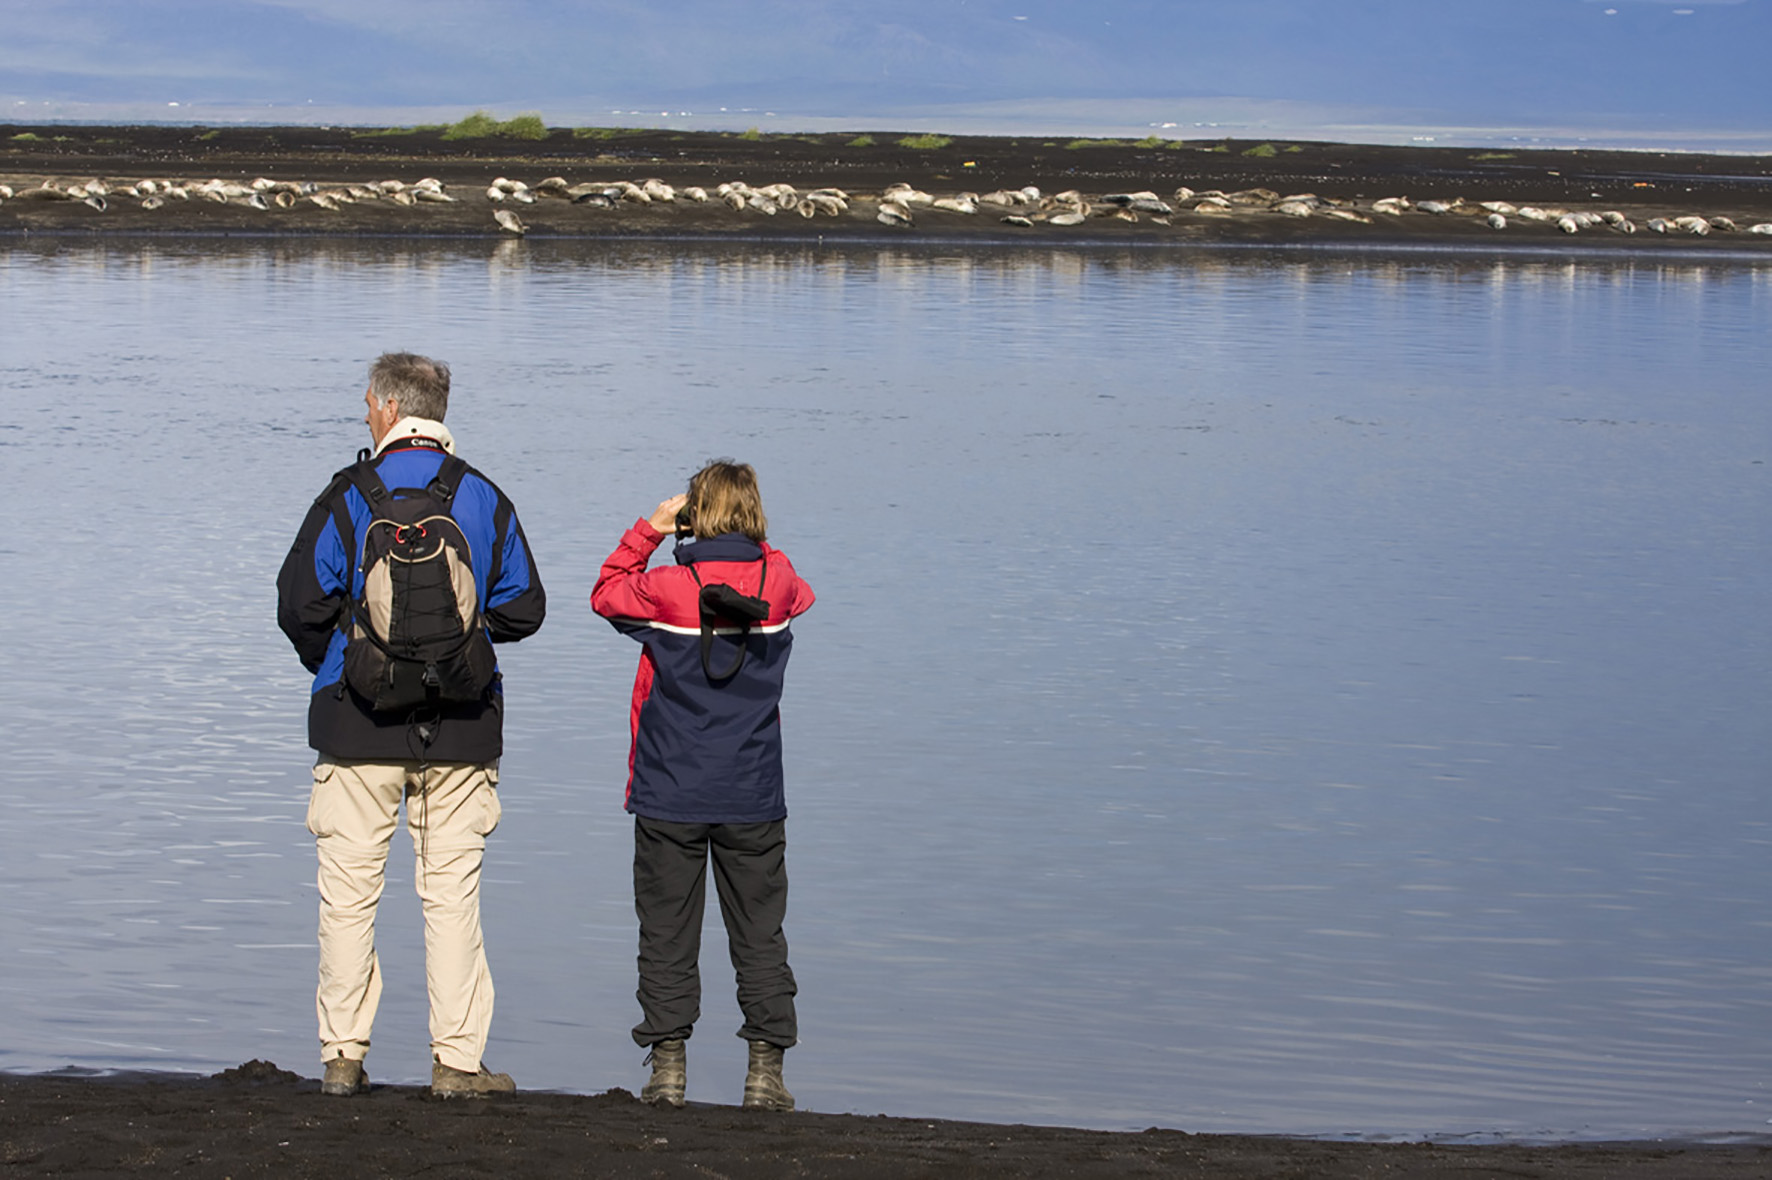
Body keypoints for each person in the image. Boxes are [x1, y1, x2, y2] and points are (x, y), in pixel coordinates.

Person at [276, 352, 546, 1099]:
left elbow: (297, 604)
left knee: (347, 896)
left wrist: (346, 657)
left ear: (389, 410)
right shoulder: (482, 498)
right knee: (452, 896)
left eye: (368, 403)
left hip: (355, 723)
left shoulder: (347, 495)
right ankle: (457, 1065)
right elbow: (526, 609)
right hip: (460, 727)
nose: (366, 412)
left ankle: (342, 1058)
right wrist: (461, 637)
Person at [590, 460, 815, 1111]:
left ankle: (668, 1072)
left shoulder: (665, 589)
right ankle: (765, 1075)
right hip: (752, 793)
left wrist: (653, 530)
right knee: (760, 934)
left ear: (694, 515)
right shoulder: (779, 582)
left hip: (669, 790)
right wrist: (750, 542)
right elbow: (794, 587)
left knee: (665, 932)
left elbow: (607, 592)